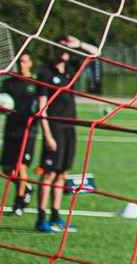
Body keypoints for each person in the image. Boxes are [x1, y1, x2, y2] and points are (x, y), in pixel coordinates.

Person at [35, 34, 98, 233]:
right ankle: (41, 218)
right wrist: (47, 135)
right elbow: (41, 108)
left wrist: (79, 43)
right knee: (49, 174)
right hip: (53, 128)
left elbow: (96, 53)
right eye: (61, 47)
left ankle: (56, 216)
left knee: (62, 174)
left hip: (70, 128)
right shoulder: (45, 73)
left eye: (67, 48)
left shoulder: (70, 71)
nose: (65, 51)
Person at [0, 51, 41, 216]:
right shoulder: (9, 83)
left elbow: (42, 105)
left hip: (28, 130)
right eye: (19, 62)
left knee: (21, 166)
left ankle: (19, 203)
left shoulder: (36, 84)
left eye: (24, 61)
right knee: (6, 169)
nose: (21, 65)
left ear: (30, 63)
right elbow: (0, 101)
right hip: (11, 129)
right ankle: (27, 188)